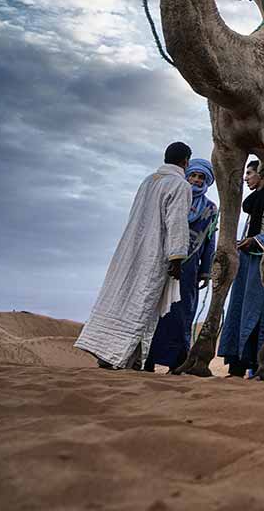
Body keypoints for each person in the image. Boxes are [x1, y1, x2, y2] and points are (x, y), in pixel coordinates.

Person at [75, 142, 194, 370]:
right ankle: (119, 356)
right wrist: (177, 257)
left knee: (123, 300)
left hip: (129, 251)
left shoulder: (148, 181)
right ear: (185, 161)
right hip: (153, 254)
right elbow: (177, 222)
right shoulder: (180, 185)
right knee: (143, 305)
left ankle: (123, 356)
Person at [146, 158, 218, 372]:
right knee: (156, 309)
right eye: (193, 175)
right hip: (163, 262)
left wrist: (206, 271)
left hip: (189, 268)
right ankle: (147, 359)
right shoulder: (175, 197)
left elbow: (209, 241)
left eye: (201, 177)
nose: (196, 180)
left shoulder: (210, 208)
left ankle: (177, 362)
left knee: (182, 312)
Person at [218, 160, 264, 378]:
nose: (246, 177)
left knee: (259, 309)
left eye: (250, 173)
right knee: (239, 307)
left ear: (262, 175)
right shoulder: (255, 205)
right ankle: (236, 365)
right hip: (246, 260)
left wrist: (255, 241)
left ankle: (259, 365)